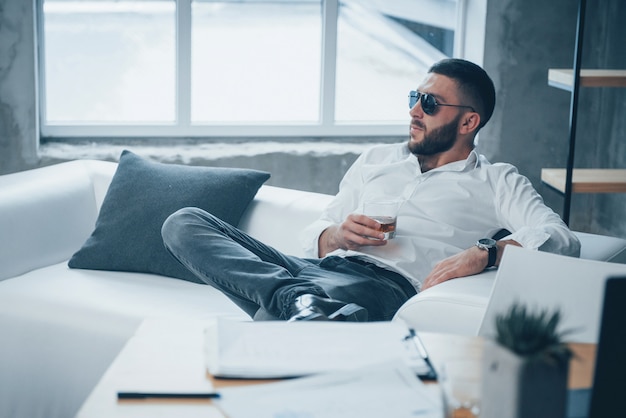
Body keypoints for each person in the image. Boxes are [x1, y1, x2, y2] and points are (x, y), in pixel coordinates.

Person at [161, 58, 580, 323]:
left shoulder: (496, 180)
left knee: (276, 332)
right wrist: (338, 235)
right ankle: (301, 304)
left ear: (468, 122)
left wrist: (487, 252)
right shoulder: (377, 158)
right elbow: (318, 234)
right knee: (184, 222)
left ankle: (300, 309)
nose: (414, 111)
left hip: (382, 287)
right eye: (415, 97)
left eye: (430, 104)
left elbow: (561, 238)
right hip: (310, 272)